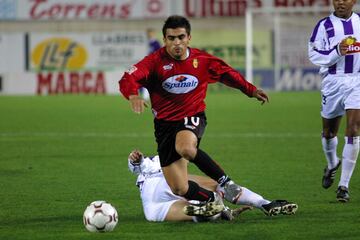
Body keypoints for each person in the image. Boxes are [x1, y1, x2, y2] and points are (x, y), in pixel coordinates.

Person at [119, 15, 286, 216]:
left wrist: (250, 90)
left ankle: (227, 183)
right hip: (164, 126)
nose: (177, 43)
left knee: (186, 148)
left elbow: (227, 73)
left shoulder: (202, 61)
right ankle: (212, 200)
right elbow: (128, 77)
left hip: (192, 116)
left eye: (181, 37)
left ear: (189, 37)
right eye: (171, 38)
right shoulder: (154, 62)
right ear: (164, 40)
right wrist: (132, 95)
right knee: (179, 188)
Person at [127, 150, 297, 222]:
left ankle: (216, 212)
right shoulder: (157, 160)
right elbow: (136, 165)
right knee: (217, 185)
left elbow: (135, 165)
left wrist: (135, 159)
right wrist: (136, 159)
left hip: (155, 205)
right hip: (161, 183)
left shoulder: (158, 160)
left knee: (196, 212)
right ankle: (264, 203)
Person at [308, 0, 360, 202]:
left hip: (357, 80)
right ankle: (331, 164)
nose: (340, 2)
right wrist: (337, 51)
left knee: (354, 128)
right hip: (333, 81)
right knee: (329, 132)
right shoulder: (324, 26)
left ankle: (344, 185)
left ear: (354, 1)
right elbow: (313, 53)